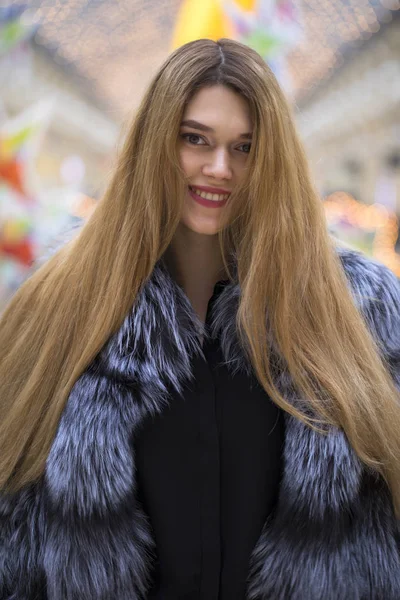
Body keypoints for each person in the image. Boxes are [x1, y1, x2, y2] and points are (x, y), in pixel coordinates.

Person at [0, 38, 399, 600]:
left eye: (245, 147)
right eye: (195, 139)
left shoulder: (360, 311)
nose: (220, 168)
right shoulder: (61, 306)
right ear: (154, 143)